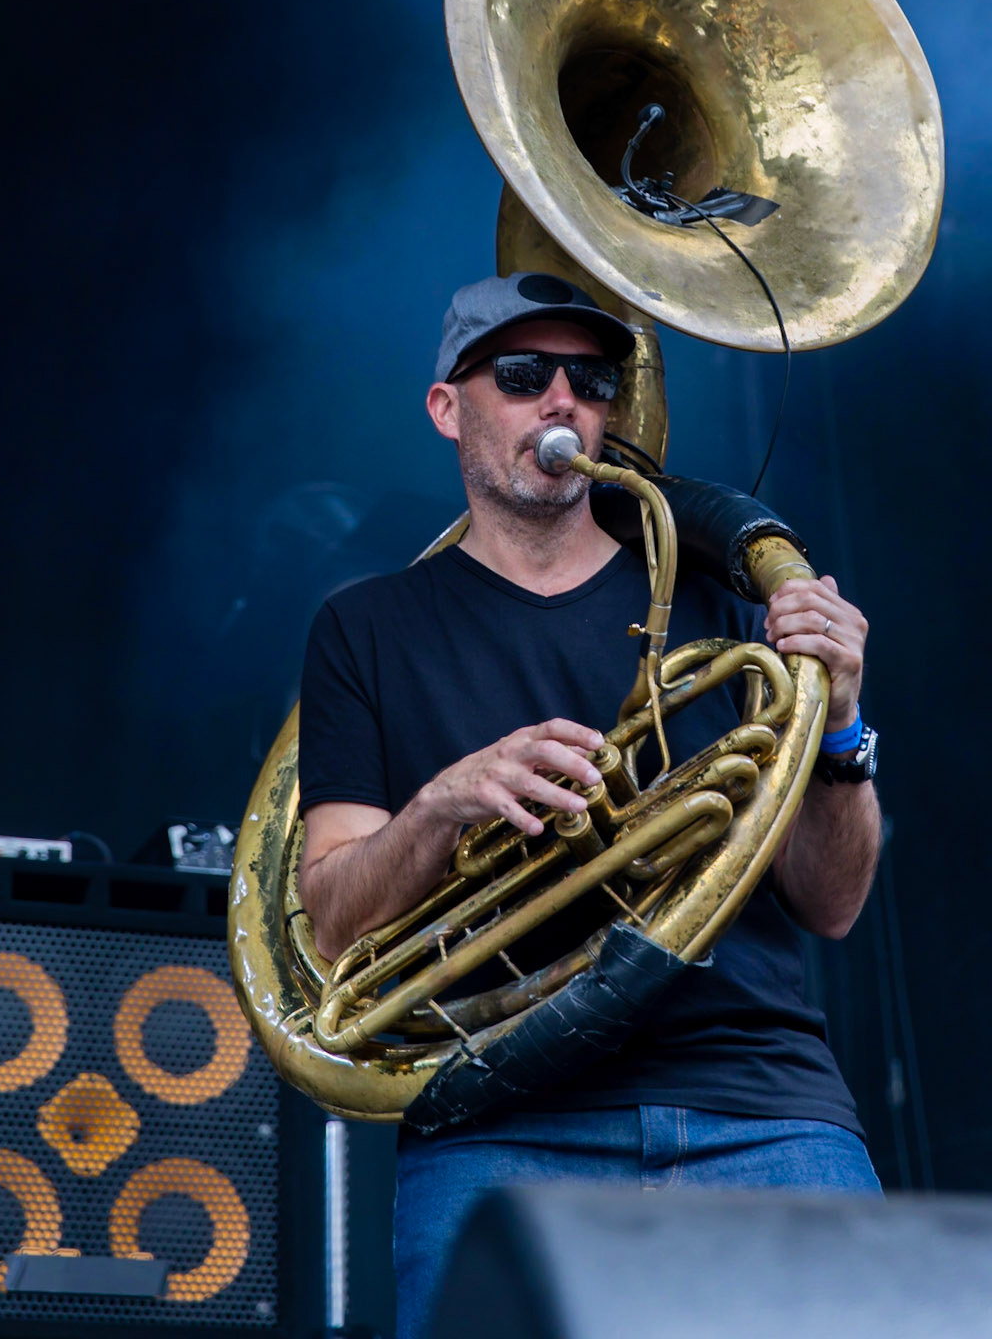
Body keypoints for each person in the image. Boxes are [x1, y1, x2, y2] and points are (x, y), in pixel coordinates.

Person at [297, 271, 884, 1339]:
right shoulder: (365, 628)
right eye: (523, 375)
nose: (562, 400)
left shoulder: (724, 597)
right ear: (448, 407)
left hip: (761, 1107)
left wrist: (839, 724)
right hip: (503, 1122)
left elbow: (832, 902)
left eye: (590, 378)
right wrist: (444, 802)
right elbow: (336, 924)